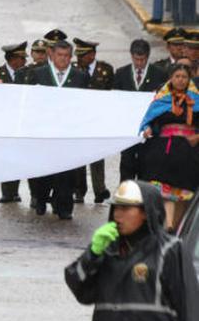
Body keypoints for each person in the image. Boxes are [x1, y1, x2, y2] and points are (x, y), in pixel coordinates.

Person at [64, 180, 195, 321]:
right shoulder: (107, 250)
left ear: (146, 212)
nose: (118, 215)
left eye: (125, 208)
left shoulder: (169, 250)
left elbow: (190, 309)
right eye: (116, 208)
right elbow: (81, 290)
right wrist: (92, 254)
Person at [27, 40, 89, 220]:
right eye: (59, 55)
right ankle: (40, 199)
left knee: (67, 172)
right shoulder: (39, 74)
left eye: (67, 56)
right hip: (45, 132)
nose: (63, 59)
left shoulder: (80, 76)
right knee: (43, 171)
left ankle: (64, 207)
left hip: (68, 133)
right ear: (51, 55)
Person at [136, 63, 199, 230]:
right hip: (165, 151)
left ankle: (176, 227)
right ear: (171, 78)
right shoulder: (162, 99)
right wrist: (147, 129)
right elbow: (149, 120)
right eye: (177, 76)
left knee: (183, 192)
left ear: (189, 79)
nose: (180, 80)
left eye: (184, 77)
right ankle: (168, 225)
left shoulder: (196, 100)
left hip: (188, 151)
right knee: (166, 190)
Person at [114, 39, 166, 181]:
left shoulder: (159, 74)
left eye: (142, 60)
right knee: (126, 170)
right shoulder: (121, 74)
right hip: (128, 132)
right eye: (136, 59)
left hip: (150, 132)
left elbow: (163, 104)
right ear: (131, 56)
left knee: (147, 171)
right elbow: (116, 102)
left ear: (148, 57)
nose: (139, 63)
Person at [73, 38, 114, 204]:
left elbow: (112, 93)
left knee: (97, 156)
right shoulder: (74, 69)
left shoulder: (105, 69)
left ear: (92, 54)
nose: (80, 58)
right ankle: (79, 191)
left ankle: (99, 189)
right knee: (79, 157)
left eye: (83, 55)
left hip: (98, 119)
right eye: (79, 55)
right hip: (79, 120)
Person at [0, 41, 28, 203]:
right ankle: (7, 192)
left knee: (21, 158)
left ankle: (16, 191)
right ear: (11, 59)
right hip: (4, 124)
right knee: (6, 158)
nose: (24, 62)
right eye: (21, 59)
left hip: (22, 123)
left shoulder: (27, 74)